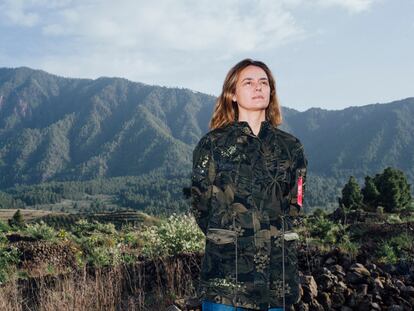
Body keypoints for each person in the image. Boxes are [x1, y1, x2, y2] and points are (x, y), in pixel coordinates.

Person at [190, 59, 308, 311]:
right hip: (225, 278)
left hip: (276, 279)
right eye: (249, 82)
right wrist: (230, 236)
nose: (258, 87)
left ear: (271, 91)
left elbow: (295, 205)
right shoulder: (213, 145)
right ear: (232, 93)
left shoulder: (291, 147)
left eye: (264, 82)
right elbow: (201, 206)